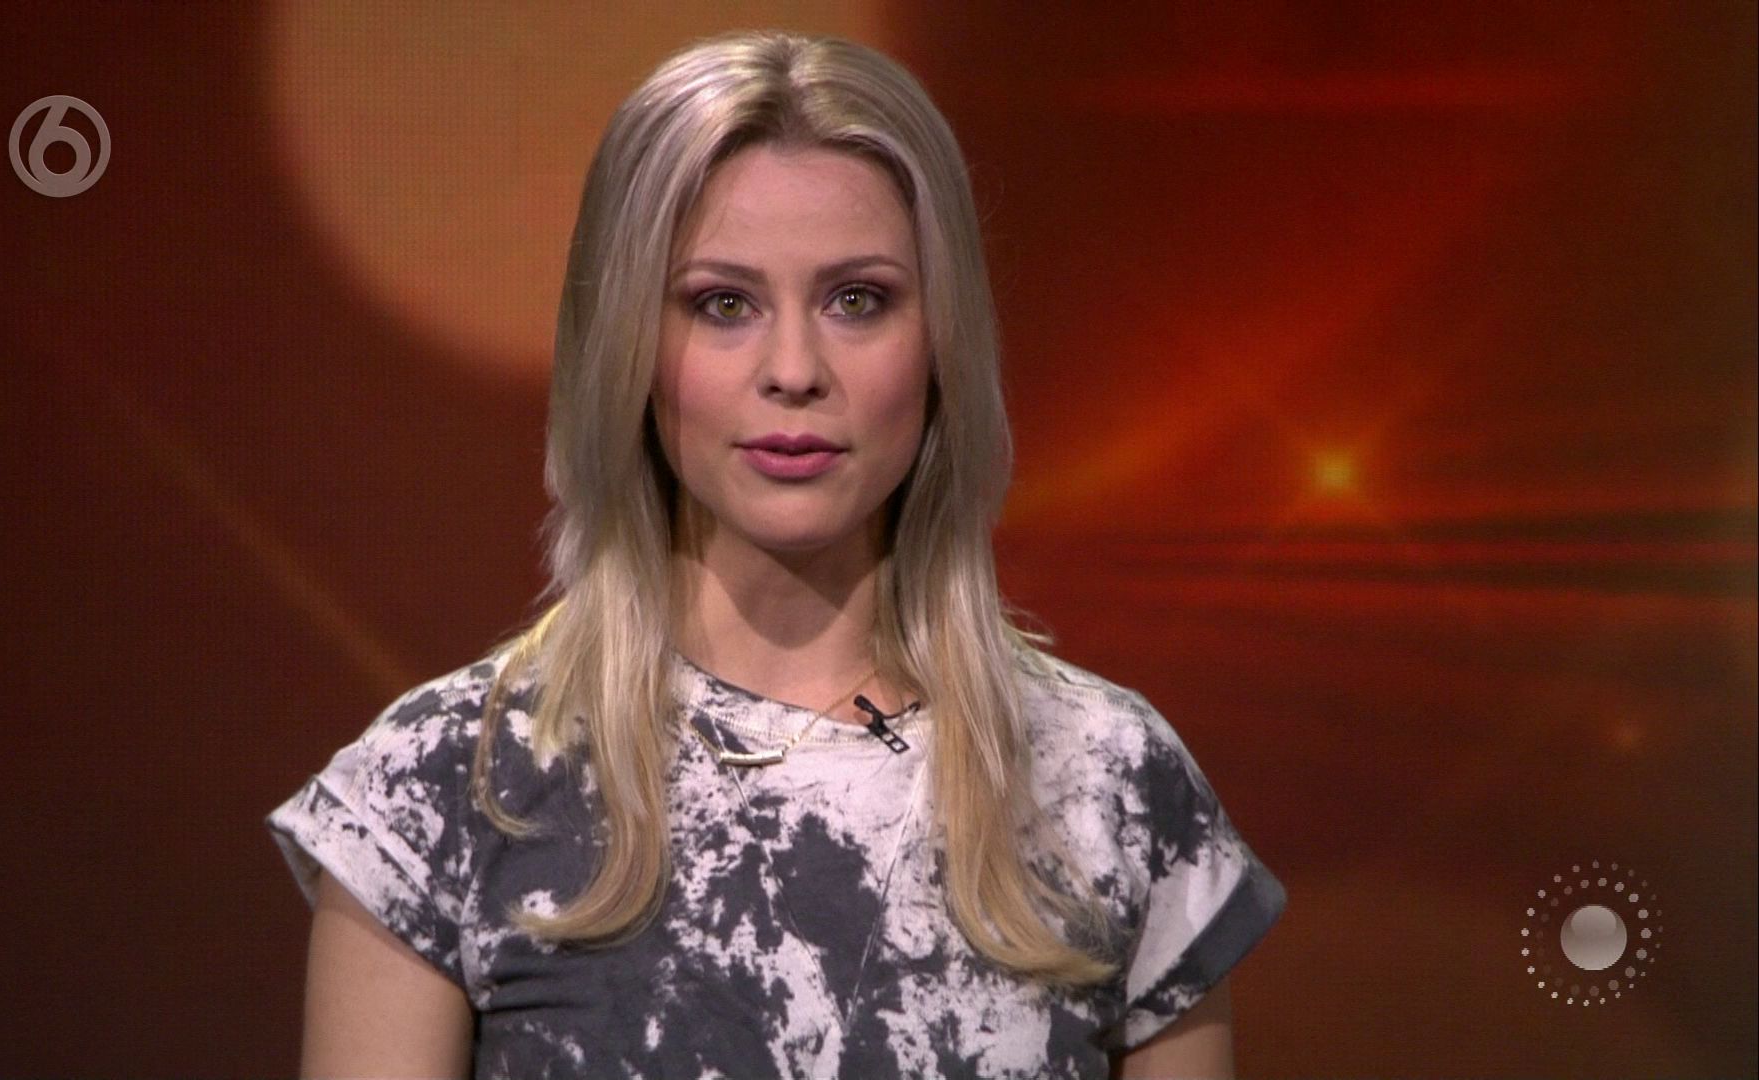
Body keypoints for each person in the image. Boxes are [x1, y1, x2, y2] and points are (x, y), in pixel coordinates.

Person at [268, 30, 1285, 1079]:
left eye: (858, 300)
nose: (794, 369)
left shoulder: (1106, 777)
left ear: (942, 343)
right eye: (723, 304)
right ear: (627, 344)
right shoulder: (446, 786)